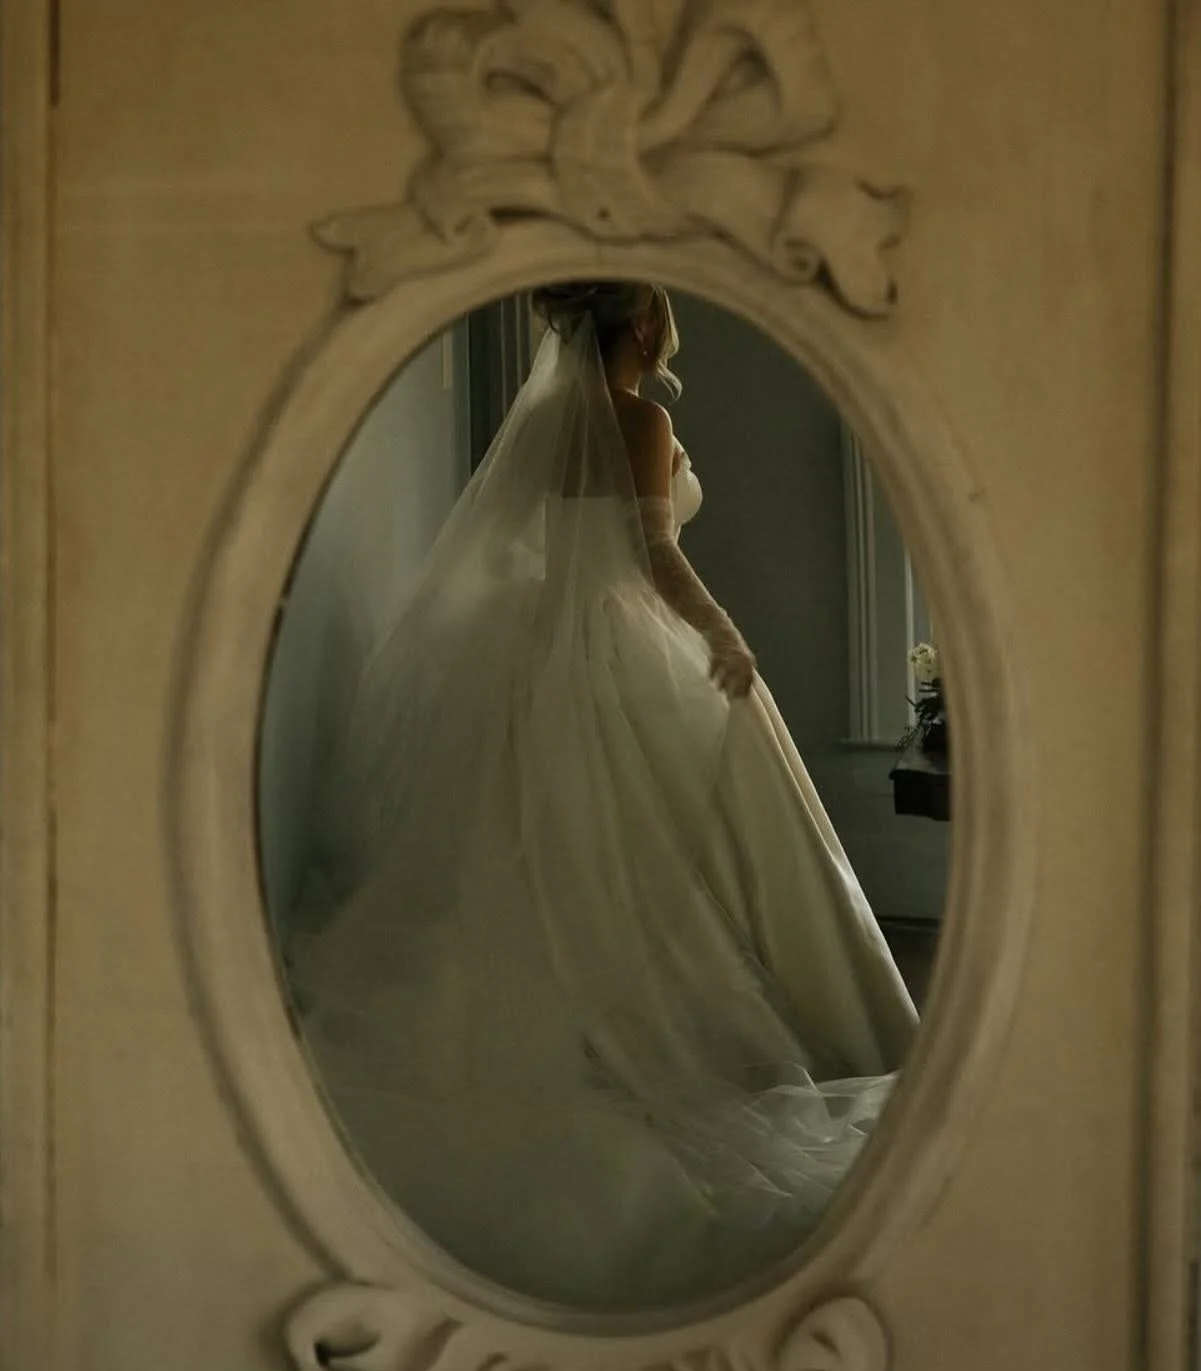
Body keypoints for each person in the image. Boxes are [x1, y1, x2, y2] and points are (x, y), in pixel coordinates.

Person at [284, 281, 919, 1311]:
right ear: (641, 327)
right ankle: (750, 1025)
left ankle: (583, 1021)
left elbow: (523, 545)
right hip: (629, 638)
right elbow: (655, 553)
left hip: (542, 644)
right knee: (669, 843)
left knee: (553, 846)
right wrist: (722, 633)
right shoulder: (642, 416)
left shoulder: (541, 419)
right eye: (663, 315)